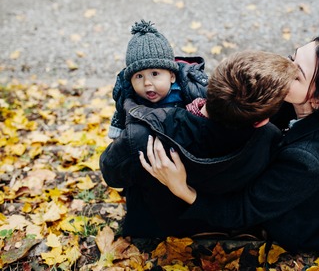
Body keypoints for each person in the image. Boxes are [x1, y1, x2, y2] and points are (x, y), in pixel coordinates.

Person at [141, 33, 319, 252]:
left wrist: (183, 189)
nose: (283, 70)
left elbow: (243, 210)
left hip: (300, 225)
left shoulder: (307, 161)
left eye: (297, 74)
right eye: (291, 58)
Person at [100, 50, 299, 239]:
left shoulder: (144, 137)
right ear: (261, 121)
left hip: (159, 228)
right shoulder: (268, 138)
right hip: (225, 222)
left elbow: (111, 174)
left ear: (212, 84)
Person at [108, 19, 208, 139]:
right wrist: (117, 134)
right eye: (139, 76)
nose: (147, 83)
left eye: (155, 74)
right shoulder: (128, 95)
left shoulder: (189, 89)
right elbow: (120, 114)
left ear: (172, 76)